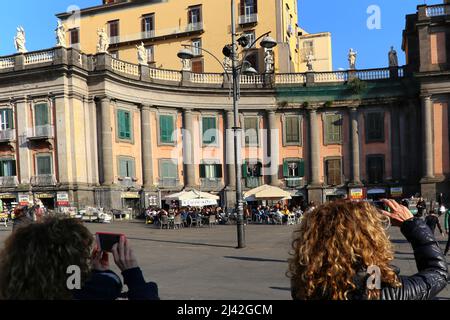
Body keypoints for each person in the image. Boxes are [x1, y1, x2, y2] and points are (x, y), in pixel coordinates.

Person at [288, 199, 447, 300]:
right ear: (370, 239)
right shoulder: (385, 292)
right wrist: (412, 224)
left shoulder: (304, 288)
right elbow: (437, 273)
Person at [0, 216, 159, 300]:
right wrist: (132, 273)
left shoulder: (12, 287)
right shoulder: (85, 290)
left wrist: (99, 272)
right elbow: (104, 287)